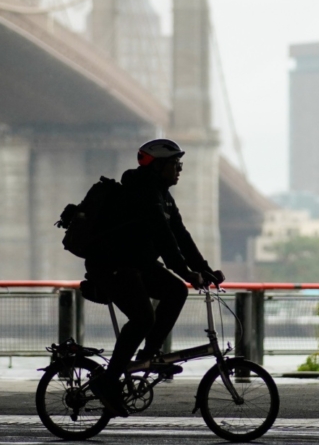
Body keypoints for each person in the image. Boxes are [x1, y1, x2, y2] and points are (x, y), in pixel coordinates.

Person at [86, 138, 225, 417]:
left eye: (180, 164)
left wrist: (205, 269)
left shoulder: (163, 195)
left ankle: (148, 355)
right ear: (159, 166)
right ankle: (108, 382)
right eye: (175, 164)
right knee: (143, 317)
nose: (180, 170)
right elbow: (165, 241)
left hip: (137, 264)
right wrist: (187, 272)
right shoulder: (141, 193)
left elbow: (180, 237)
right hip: (112, 266)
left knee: (176, 291)